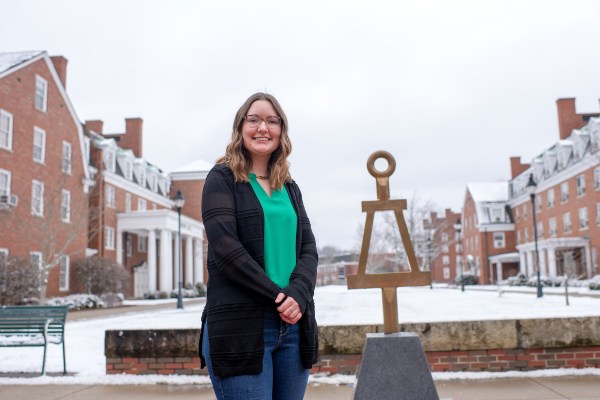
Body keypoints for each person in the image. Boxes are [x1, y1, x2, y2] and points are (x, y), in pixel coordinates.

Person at [200, 92, 319, 400]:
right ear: (240, 127)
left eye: (271, 121)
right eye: (253, 120)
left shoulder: (289, 187)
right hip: (240, 327)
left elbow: (308, 249)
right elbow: (226, 248)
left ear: (281, 130)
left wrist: (298, 294)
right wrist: (278, 296)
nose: (263, 127)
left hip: (293, 327)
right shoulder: (222, 178)